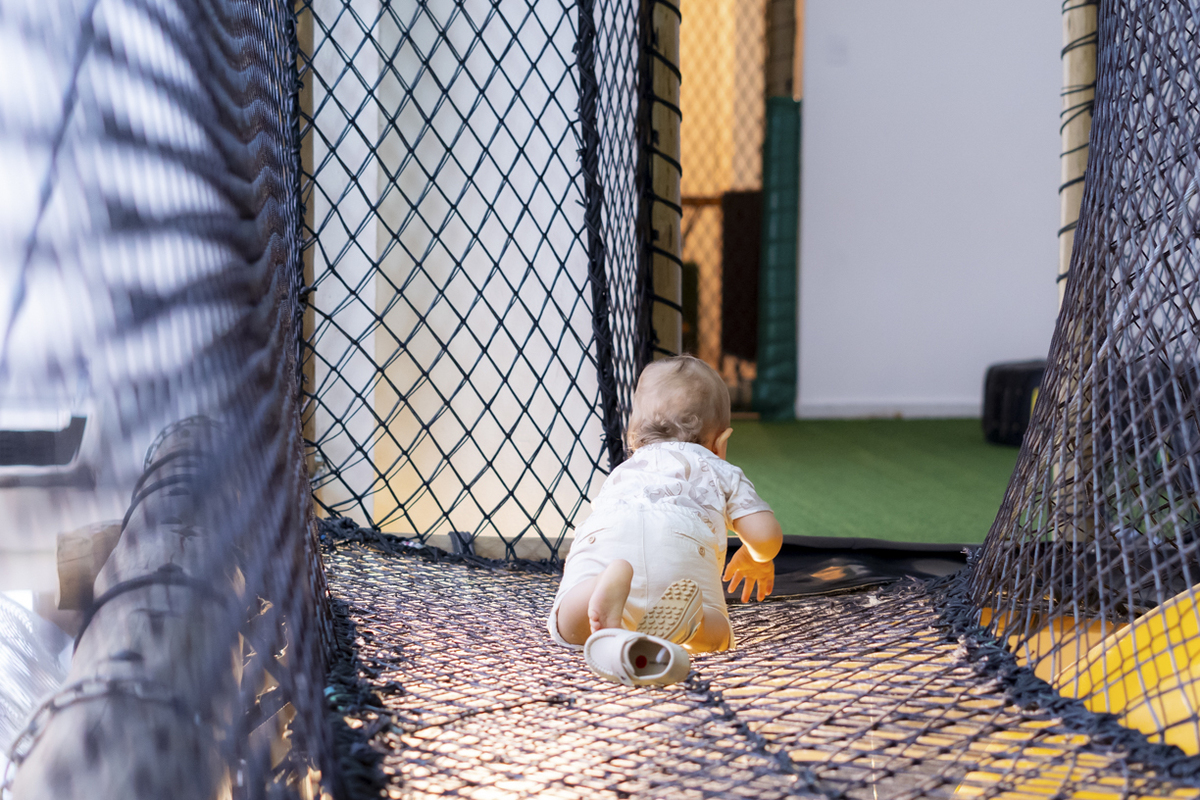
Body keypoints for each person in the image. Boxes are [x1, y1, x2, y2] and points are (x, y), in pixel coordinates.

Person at [547, 355, 783, 686]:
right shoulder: (718, 468)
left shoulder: (624, 471)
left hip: (608, 535)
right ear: (720, 443)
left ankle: (599, 586)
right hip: (679, 543)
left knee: (567, 627)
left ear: (635, 437)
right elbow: (766, 535)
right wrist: (757, 557)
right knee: (719, 636)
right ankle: (693, 624)